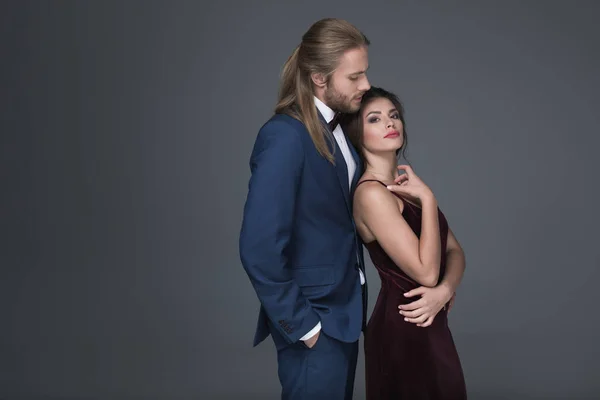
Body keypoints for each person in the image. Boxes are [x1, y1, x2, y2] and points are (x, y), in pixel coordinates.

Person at [239, 18, 371, 399]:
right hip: (315, 320)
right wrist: (304, 327)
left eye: (366, 74)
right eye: (355, 77)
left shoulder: (341, 128)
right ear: (319, 78)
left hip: (346, 313)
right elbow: (258, 246)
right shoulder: (284, 136)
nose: (365, 85)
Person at [342, 86, 468, 399]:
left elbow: (455, 251)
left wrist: (445, 290)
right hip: (403, 326)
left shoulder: (403, 188)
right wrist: (428, 198)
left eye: (394, 116)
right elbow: (427, 272)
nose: (389, 123)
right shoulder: (371, 194)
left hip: (429, 318)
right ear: (357, 134)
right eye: (375, 119)